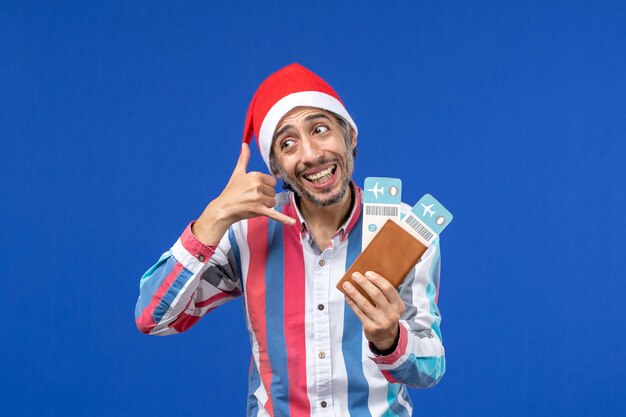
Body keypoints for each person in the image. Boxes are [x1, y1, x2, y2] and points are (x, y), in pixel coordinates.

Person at [135, 63, 445, 417]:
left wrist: (391, 339)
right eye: (288, 143)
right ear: (277, 168)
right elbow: (153, 317)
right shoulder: (246, 233)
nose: (311, 155)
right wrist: (215, 215)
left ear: (350, 136)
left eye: (320, 129)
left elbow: (430, 367)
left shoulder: (405, 229)